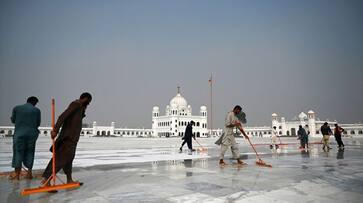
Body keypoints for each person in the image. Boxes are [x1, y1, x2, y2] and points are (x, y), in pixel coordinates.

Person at [41, 92, 92, 185]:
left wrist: (83, 111)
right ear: (84, 98)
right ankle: (46, 179)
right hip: (67, 138)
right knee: (60, 158)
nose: (88, 104)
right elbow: (62, 116)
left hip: (72, 139)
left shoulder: (80, 108)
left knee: (69, 159)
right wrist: (55, 130)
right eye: (88, 102)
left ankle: (69, 179)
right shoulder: (76, 104)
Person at [9, 96, 41, 180]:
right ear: (34, 102)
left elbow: (13, 120)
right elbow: (38, 123)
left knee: (18, 152)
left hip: (19, 134)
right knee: (30, 152)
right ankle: (29, 173)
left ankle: (17, 175)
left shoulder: (17, 108)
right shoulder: (37, 111)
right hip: (32, 134)